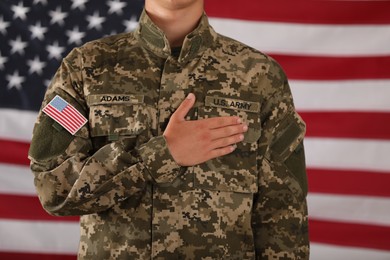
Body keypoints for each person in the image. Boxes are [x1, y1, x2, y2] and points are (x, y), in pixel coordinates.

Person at [28, 0, 309, 259]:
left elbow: (283, 215)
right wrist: (160, 155)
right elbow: (53, 188)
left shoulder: (260, 76)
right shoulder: (85, 67)